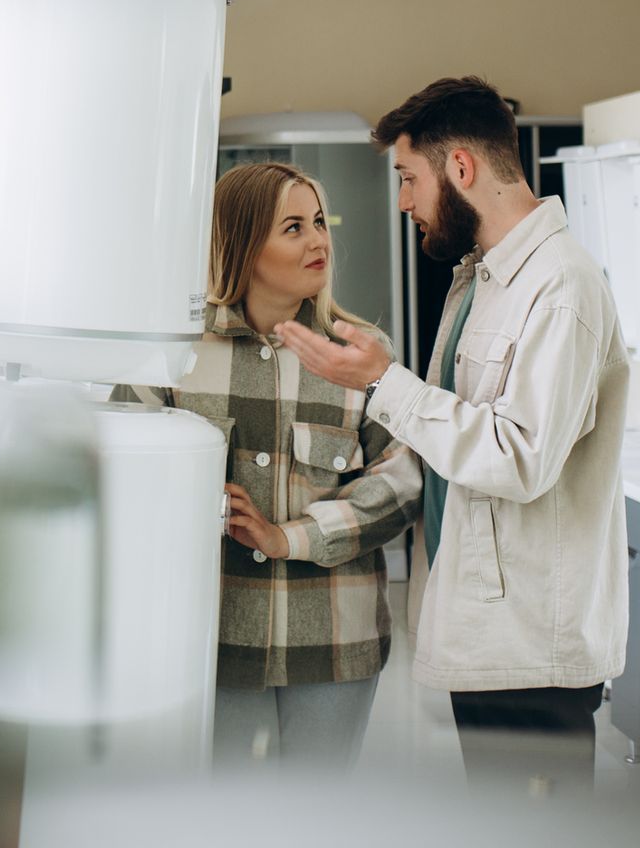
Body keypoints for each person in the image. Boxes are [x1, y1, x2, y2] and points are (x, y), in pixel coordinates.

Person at [276, 77, 629, 793]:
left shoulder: (562, 287)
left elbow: (520, 458)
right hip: (488, 637)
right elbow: (446, 446)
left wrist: (383, 383)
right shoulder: (482, 281)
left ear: (461, 168)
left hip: (534, 650)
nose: (403, 200)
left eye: (409, 178)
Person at [114, 162, 421, 769]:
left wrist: (289, 537)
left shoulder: (360, 352)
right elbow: (123, 479)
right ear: (243, 243)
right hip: (212, 643)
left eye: (318, 222)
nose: (319, 240)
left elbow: (403, 484)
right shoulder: (169, 354)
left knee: (315, 824)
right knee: (232, 822)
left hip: (333, 645)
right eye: (293, 227)